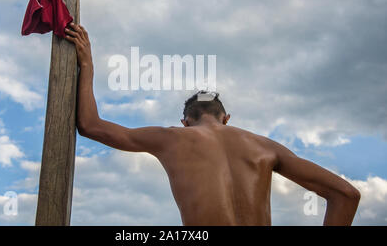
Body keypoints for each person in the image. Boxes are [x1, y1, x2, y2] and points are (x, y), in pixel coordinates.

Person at [64, 22, 361, 226]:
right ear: (227, 118)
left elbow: (91, 125)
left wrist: (87, 64)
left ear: (184, 122)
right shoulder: (265, 146)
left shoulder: (171, 139)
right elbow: (346, 195)